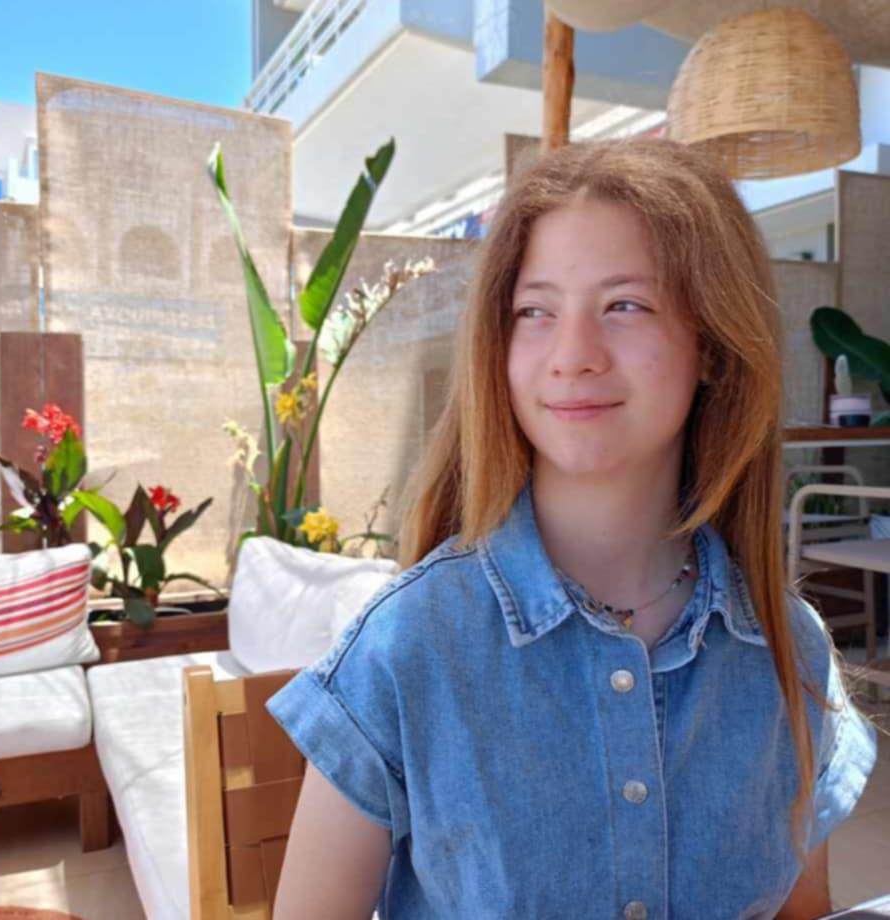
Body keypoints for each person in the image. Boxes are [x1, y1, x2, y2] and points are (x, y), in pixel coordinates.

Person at [267, 138, 878, 919]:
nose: (572, 355)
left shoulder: (794, 651)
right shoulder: (406, 647)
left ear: (713, 347)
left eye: (625, 305)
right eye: (535, 311)